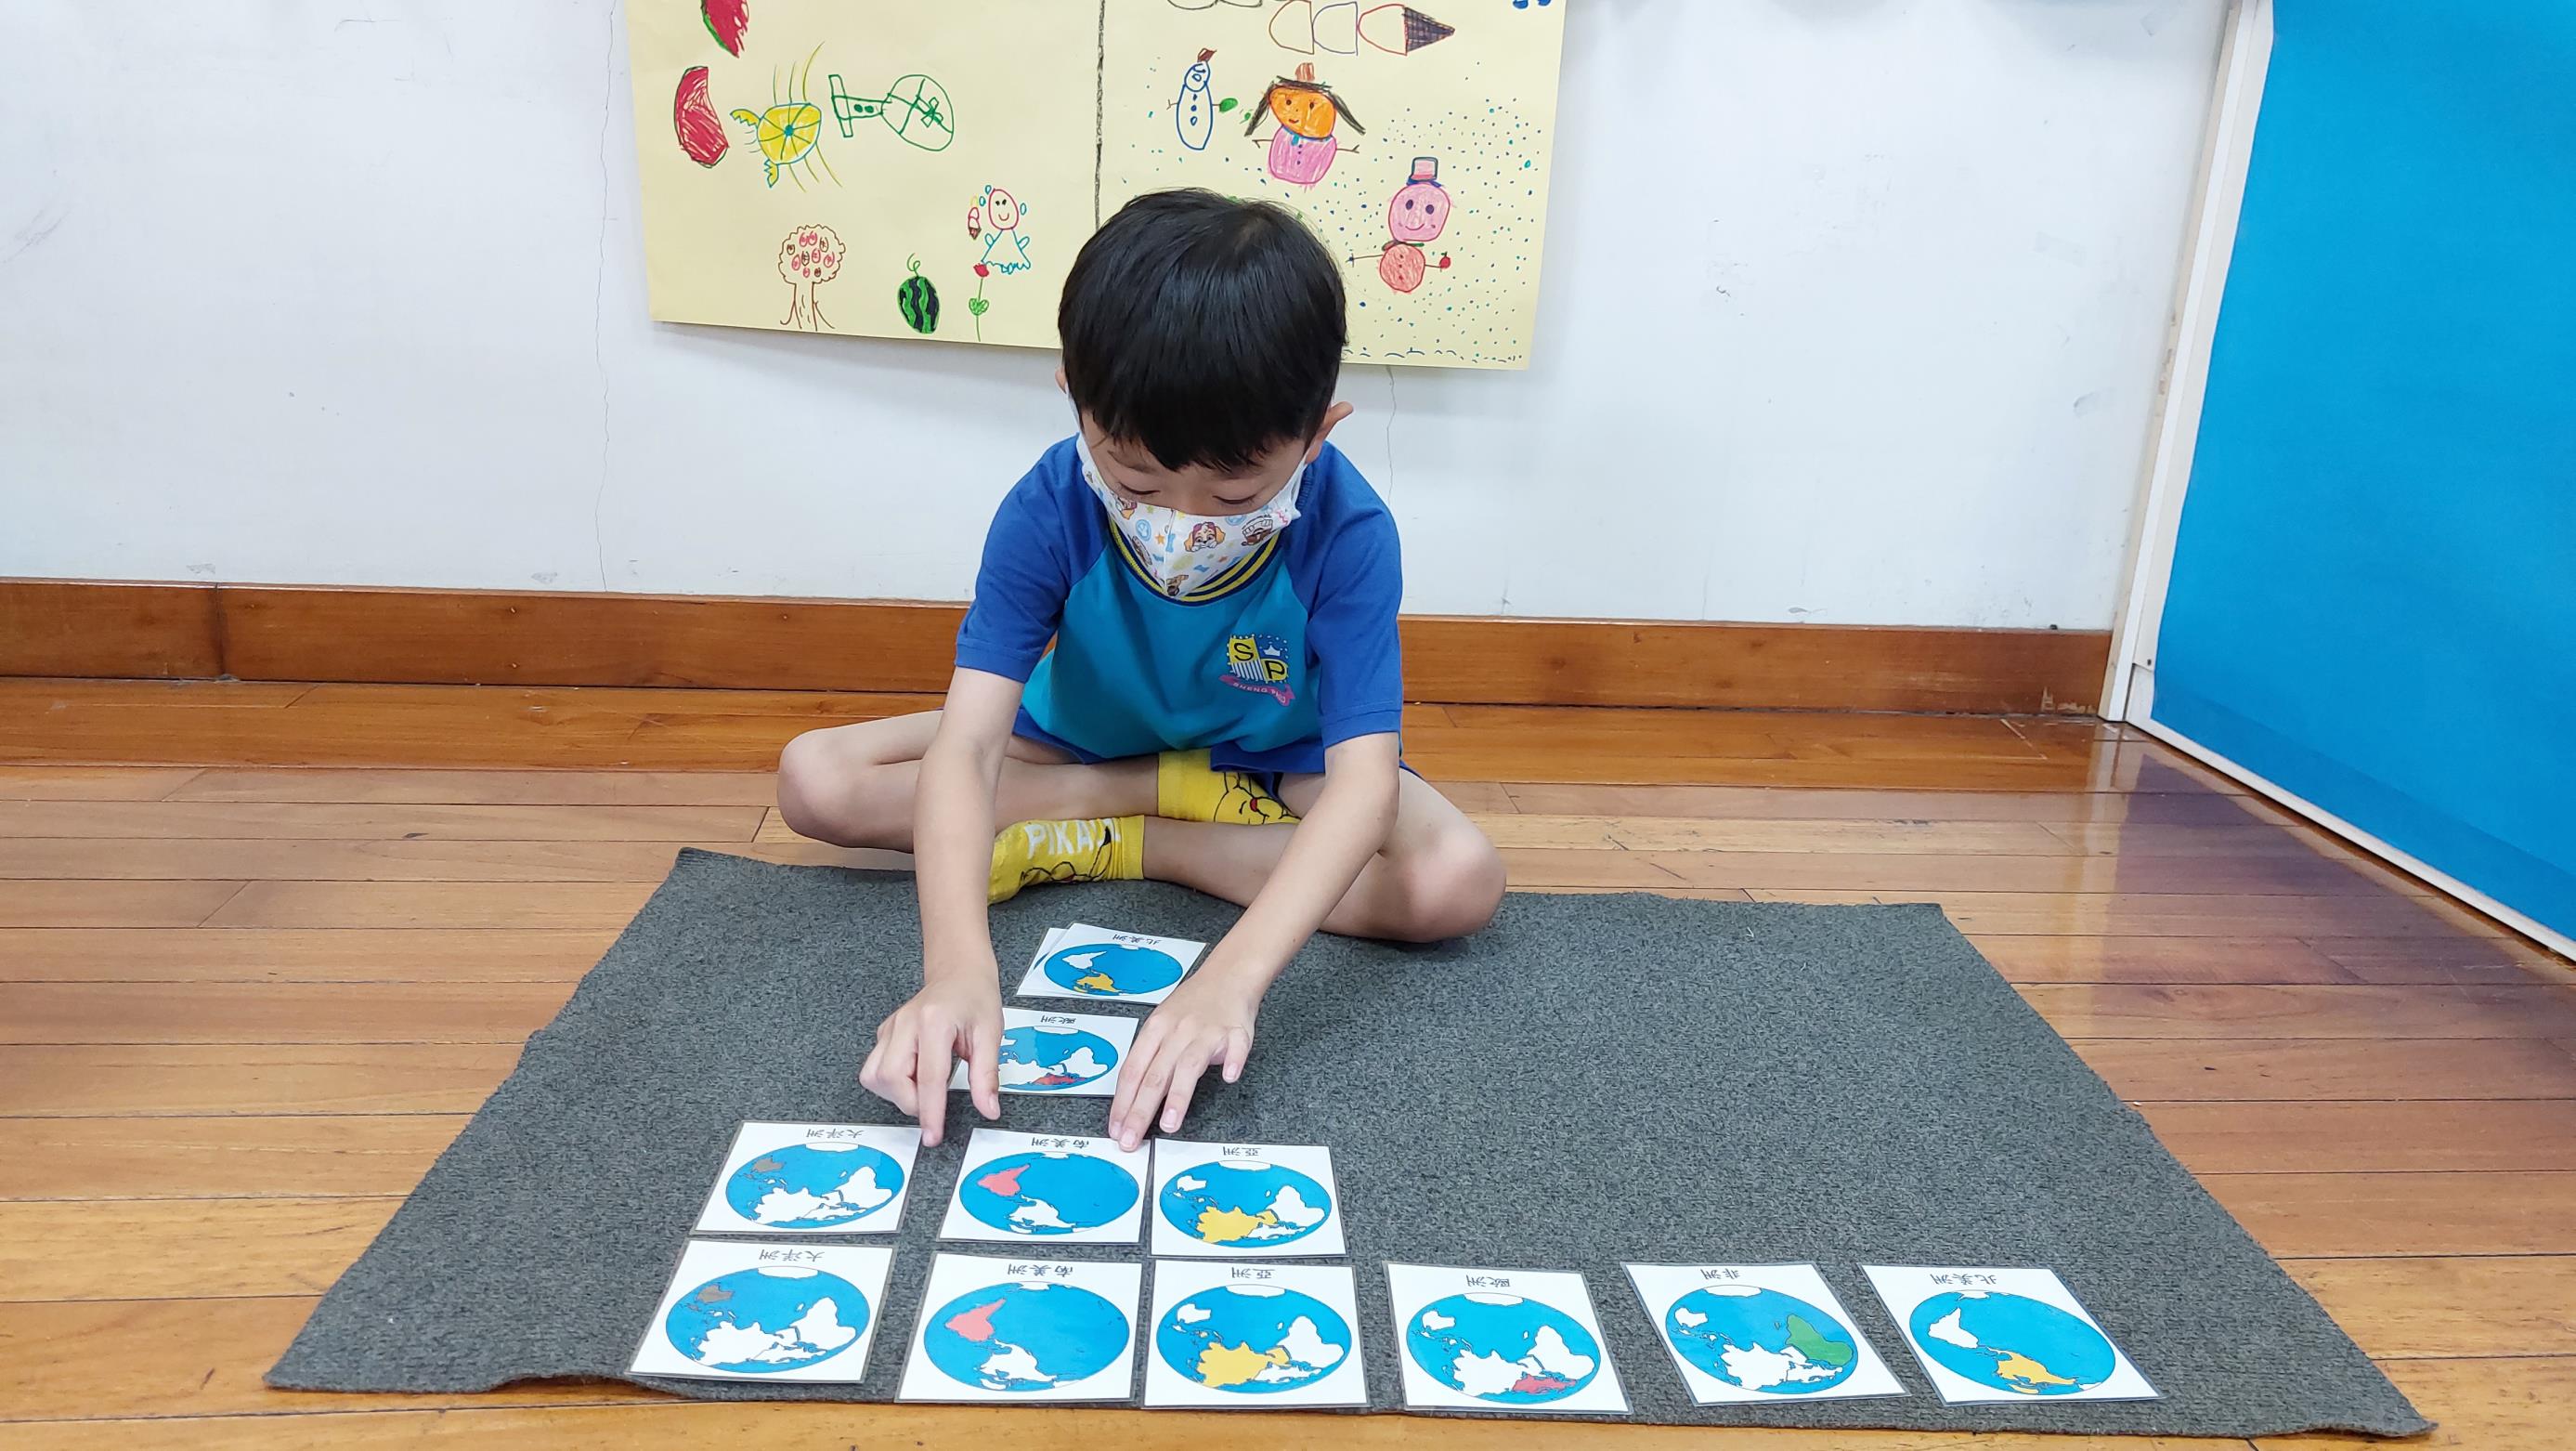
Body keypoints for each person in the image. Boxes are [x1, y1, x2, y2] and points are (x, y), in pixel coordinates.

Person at [775, 189, 1505, 1153]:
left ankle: (1141, 840)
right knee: (813, 777)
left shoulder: (1349, 529)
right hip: (1082, 735)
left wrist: (1229, 979)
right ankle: (1152, 797)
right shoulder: (1047, 505)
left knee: (1457, 880)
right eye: (1134, 481)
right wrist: (955, 968)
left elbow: (1364, 784)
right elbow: (970, 745)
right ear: (1075, 400)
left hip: (1281, 757)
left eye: (1235, 493)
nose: (1182, 521)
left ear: (1318, 433)